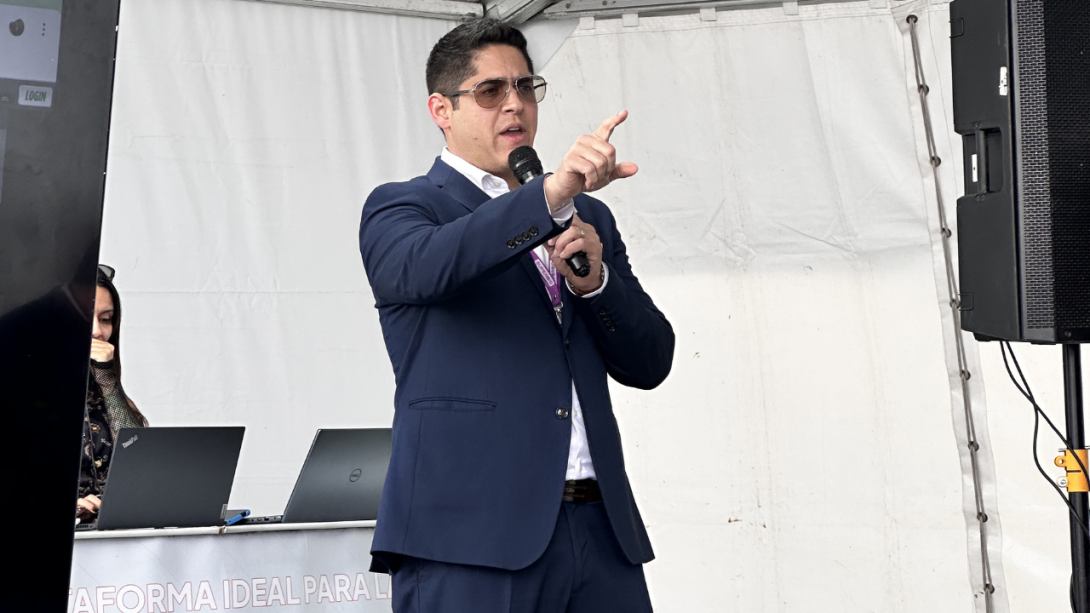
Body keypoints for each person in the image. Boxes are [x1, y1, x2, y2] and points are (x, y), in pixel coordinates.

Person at [358, 18, 674, 612]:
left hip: (601, 532)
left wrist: (596, 283)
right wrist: (547, 199)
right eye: (491, 91)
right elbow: (432, 266)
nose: (515, 104)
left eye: (526, 87)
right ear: (441, 109)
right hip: (470, 538)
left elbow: (651, 361)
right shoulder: (404, 207)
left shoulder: (589, 219)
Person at [76, 264, 147, 521]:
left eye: (106, 319)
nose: (97, 331)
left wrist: (107, 378)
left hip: (110, 534)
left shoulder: (105, 390)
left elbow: (140, 458)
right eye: (86, 316)